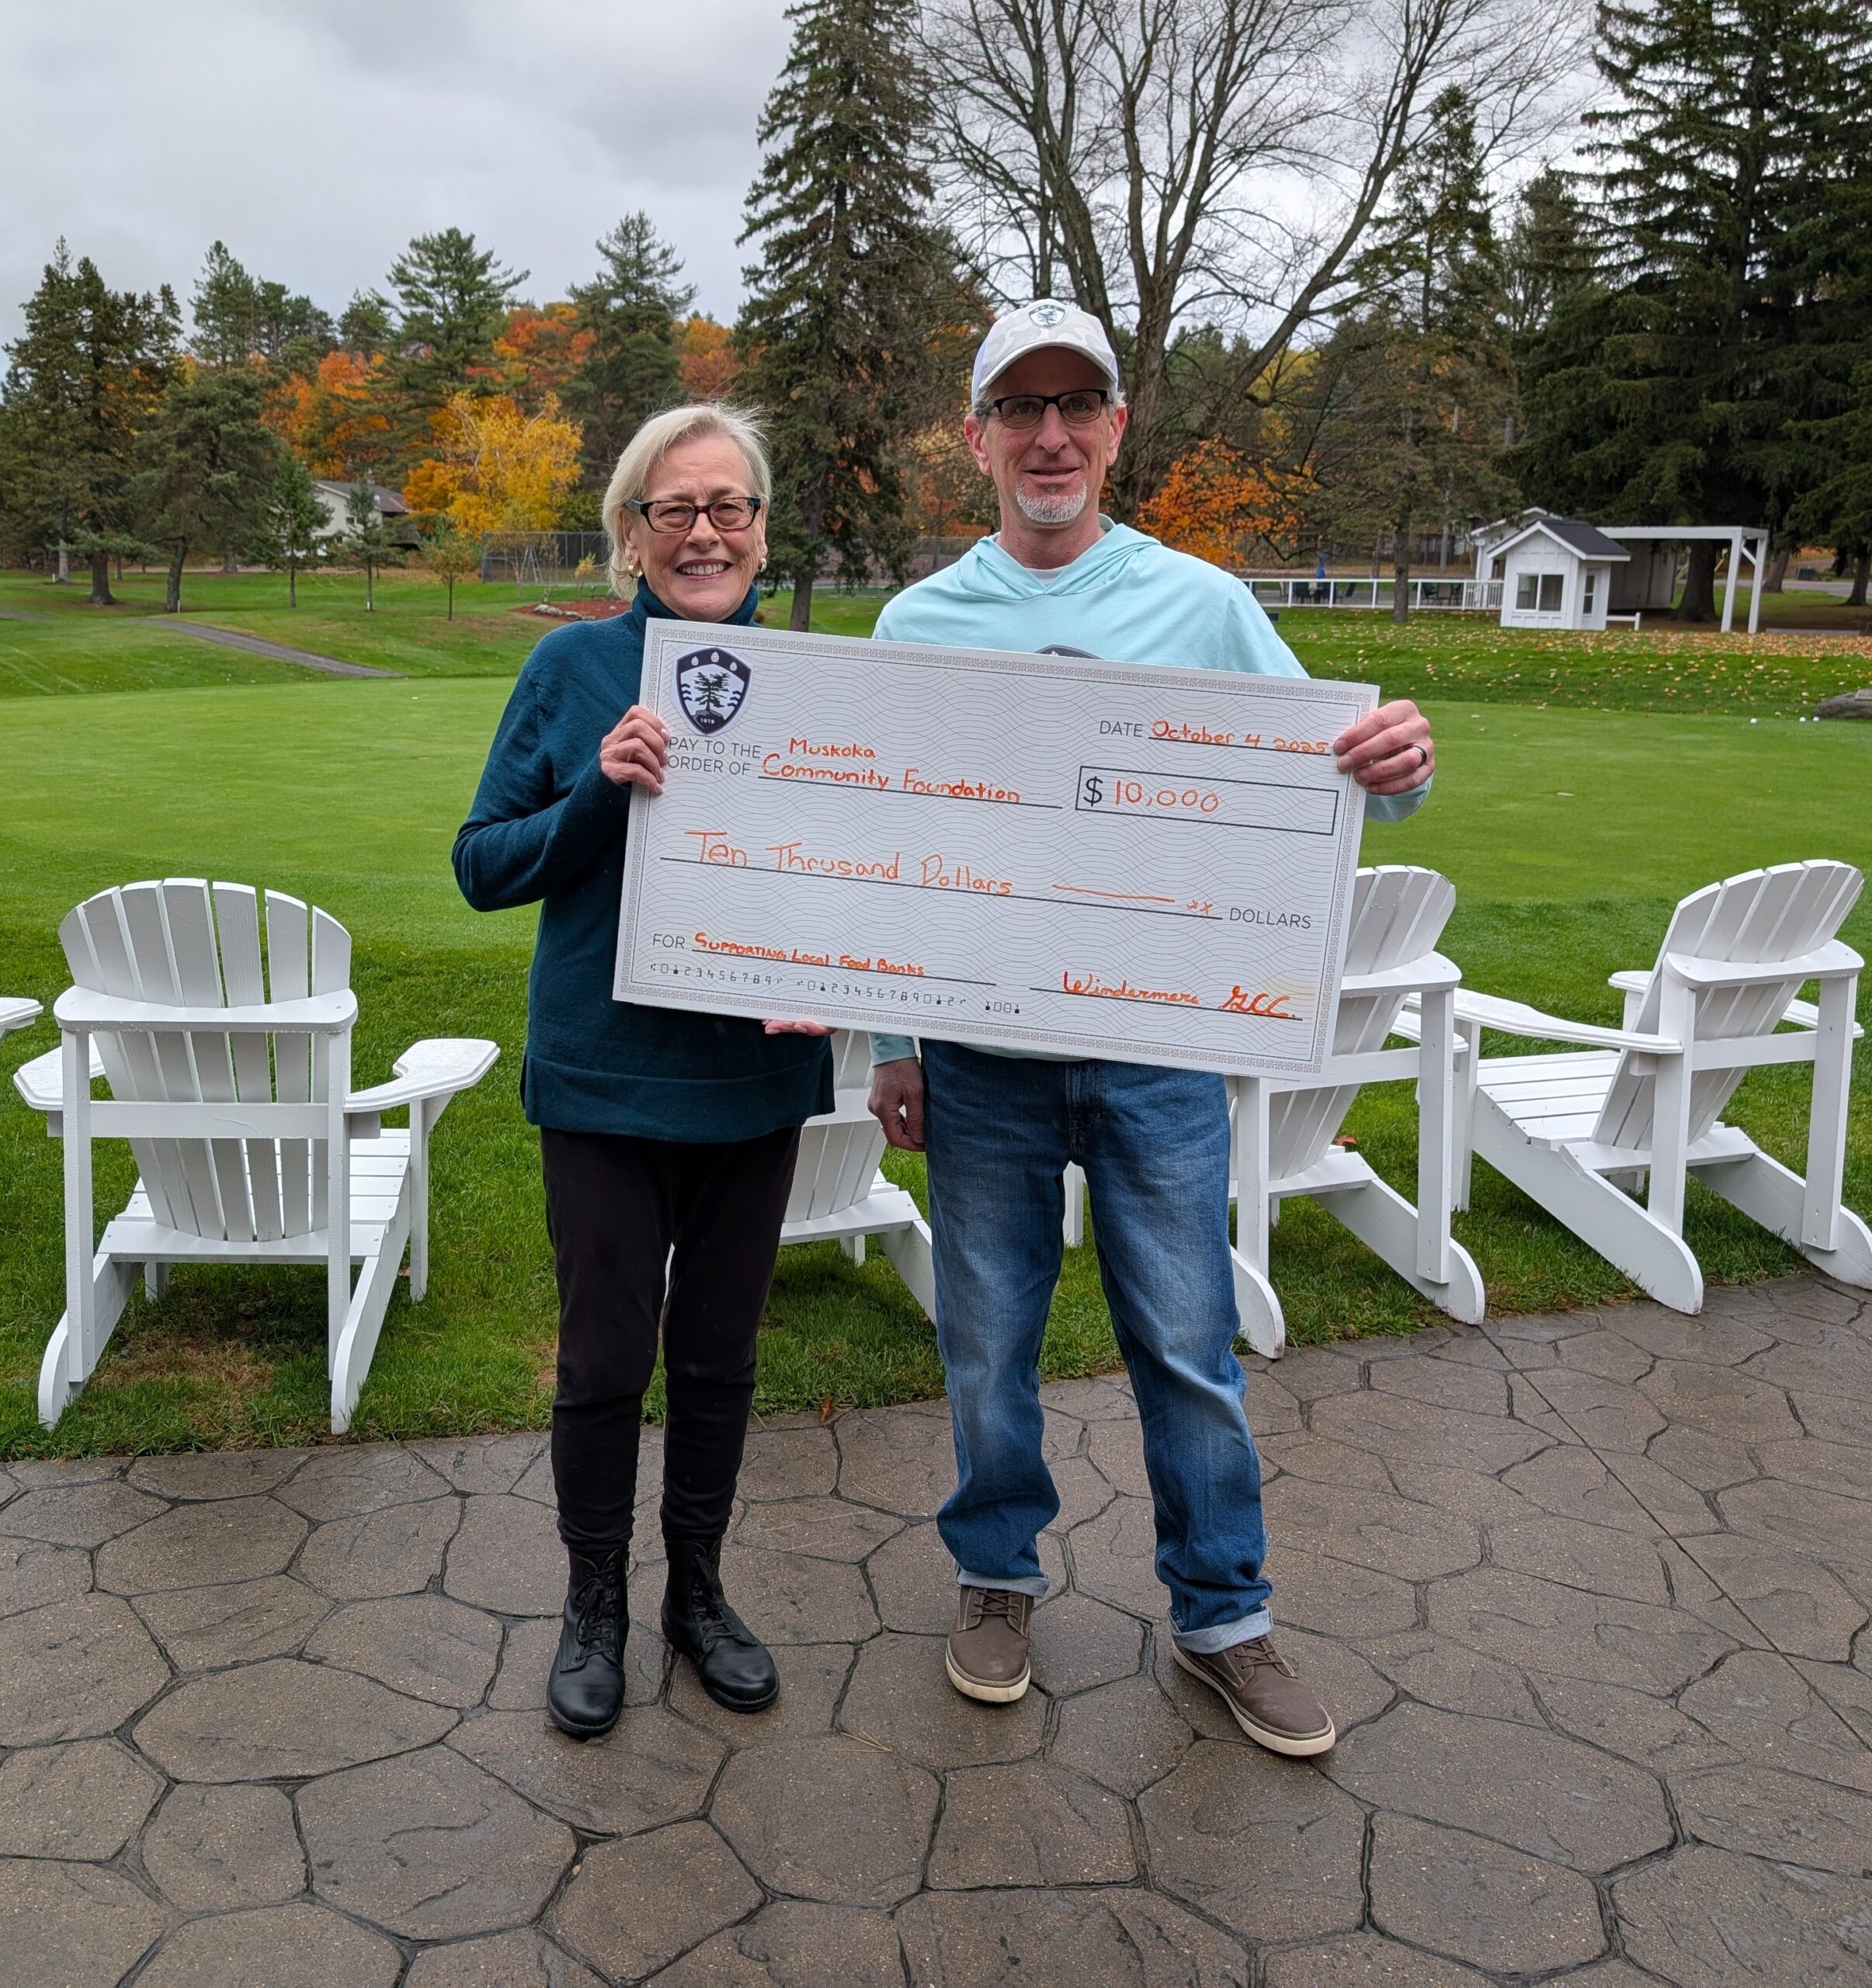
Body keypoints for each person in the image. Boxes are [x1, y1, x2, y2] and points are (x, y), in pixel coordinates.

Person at [866, 302, 1436, 1757]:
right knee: (987, 1339)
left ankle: (1223, 1618)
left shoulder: (1204, 604)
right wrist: (884, 1041)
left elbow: (1335, 781)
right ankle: (996, 1577)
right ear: (977, 433)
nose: (1049, 435)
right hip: (981, 1054)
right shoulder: (916, 623)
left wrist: (1396, 766)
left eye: (1079, 406)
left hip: (1155, 1049)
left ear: (1118, 429)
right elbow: (879, 845)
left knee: (1184, 1342)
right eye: (1020, 407)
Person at [453, 404, 832, 1740]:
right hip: (606, 1083)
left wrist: (845, 983)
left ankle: (699, 1594)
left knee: (721, 1359)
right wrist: (597, 791)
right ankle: (594, 1605)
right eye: (675, 510)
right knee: (606, 1359)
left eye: (730, 507)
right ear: (633, 534)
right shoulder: (571, 671)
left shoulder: (818, 691)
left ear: (763, 532)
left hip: (752, 1086)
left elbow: (859, 886)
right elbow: (482, 865)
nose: (705, 533)